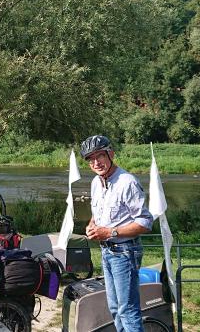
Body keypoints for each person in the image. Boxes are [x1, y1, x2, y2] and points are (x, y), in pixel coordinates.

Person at [81, 135, 154, 332]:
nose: (96, 162)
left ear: (111, 154)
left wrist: (110, 231)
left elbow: (146, 223)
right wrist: (92, 225)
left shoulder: (127, 182)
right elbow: (98, 214)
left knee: (127, 310)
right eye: (91, 159)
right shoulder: (96, 182)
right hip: (107, 252)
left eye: (100, 156)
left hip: (125, 252)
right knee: (115, 308)